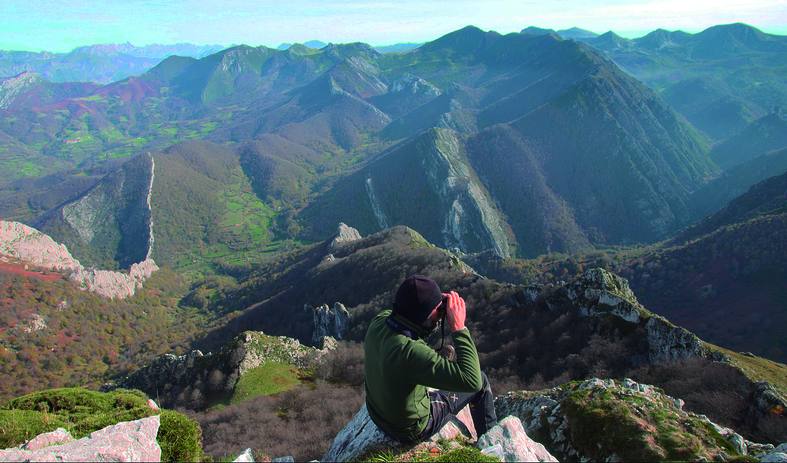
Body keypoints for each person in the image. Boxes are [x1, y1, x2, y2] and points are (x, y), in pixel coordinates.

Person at [364, 274, 498, 443]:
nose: (440, 314)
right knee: (482, 380)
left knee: (441, 356)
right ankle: (491, 441)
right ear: (422, 317)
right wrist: (459, 328)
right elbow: (472, 381)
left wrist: (432, 301)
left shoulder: (379, 321)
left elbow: (411, 312)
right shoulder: (409, 351)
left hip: (377, 414)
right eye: (436, 312)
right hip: (409, 429)